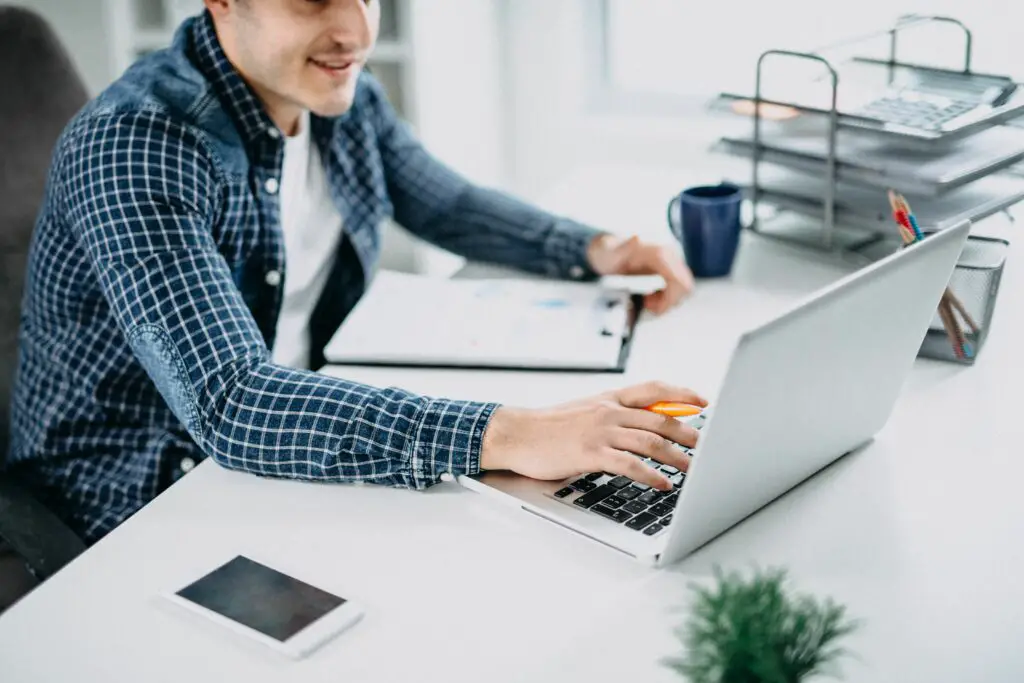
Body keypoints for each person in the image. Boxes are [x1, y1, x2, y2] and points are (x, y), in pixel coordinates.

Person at [6, 0, 704, 548]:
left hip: (283, 436)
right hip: (136, 494)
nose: (353, 31)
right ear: (220, 1)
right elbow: (230, 402)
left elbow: (447, 204)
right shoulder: (139, 145)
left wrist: (595, 247)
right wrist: (514, 432)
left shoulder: (337, 93)